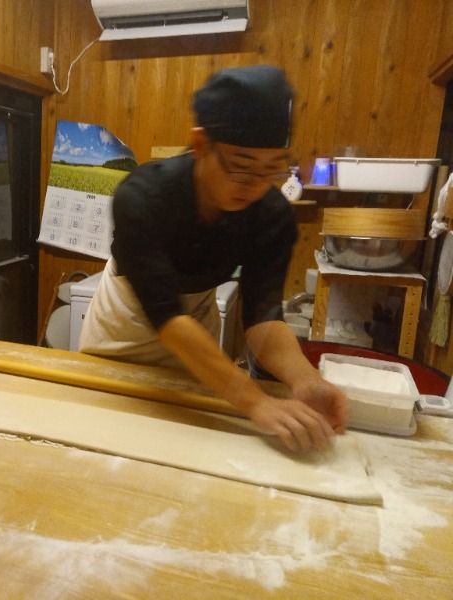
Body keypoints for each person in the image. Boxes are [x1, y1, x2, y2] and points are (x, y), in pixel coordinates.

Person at [78, 65, 348, 452]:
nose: (255, 187)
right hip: (125, 325)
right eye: (241, 167)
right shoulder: (142, 197)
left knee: (179, 445)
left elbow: (262, 317)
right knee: (101, 437)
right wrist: (254, 400)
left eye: (271, 170)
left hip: (195, 334)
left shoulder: (270, 212)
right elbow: (167, 316)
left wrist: (305, 379)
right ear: (201, 144)